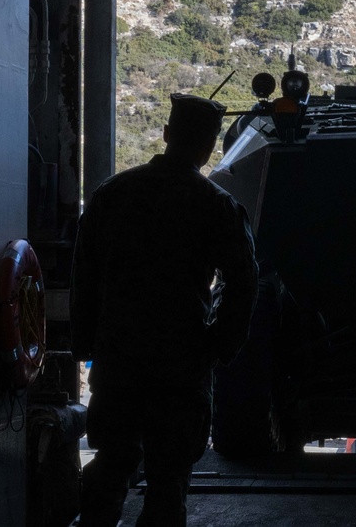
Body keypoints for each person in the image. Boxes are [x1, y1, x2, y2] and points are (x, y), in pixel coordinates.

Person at [71, 93, 258, 527]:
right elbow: (244, 282)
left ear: (166, 134)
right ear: (210, 146)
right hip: (181, 363)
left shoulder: (110, 195)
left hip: (119, 359)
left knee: (111, 465)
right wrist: (219, 346)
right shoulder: (217, 206)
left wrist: (87, 342)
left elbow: (86, 276)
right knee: (168, 482)